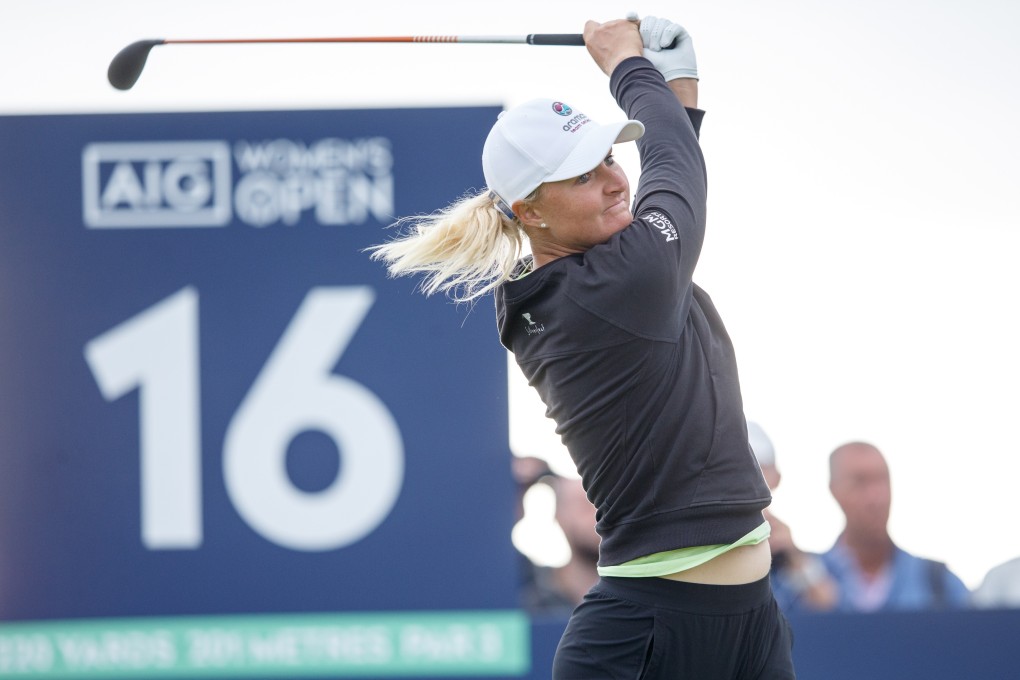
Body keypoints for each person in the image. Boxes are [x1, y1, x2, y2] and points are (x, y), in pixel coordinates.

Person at [371, 15, 795, 678]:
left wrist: (674, 81)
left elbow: (667, 175)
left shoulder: (581, 279)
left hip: (747, 620)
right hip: (646, 636)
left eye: (608, 158)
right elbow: (677, 173)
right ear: (531, 210)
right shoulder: (618, 283)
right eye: (582, 176)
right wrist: (631, 69)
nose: (613, 180)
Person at [821, 441, 970, 611]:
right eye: (860, 482)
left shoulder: (939, 583)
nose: (876, 497)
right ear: (834, 490)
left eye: (882, 480)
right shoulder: (798, 585)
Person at [748, 421, 838, 613]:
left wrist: (795, 558)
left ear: (776, 477)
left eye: (758, 466)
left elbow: (830, 609)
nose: (748, 477)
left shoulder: (810, 559)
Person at [520, 475, 601, 618]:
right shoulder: (532, 596)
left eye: (607, 506)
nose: (599, 516)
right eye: (584, 506)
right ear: (559, 516)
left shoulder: (642, 595)